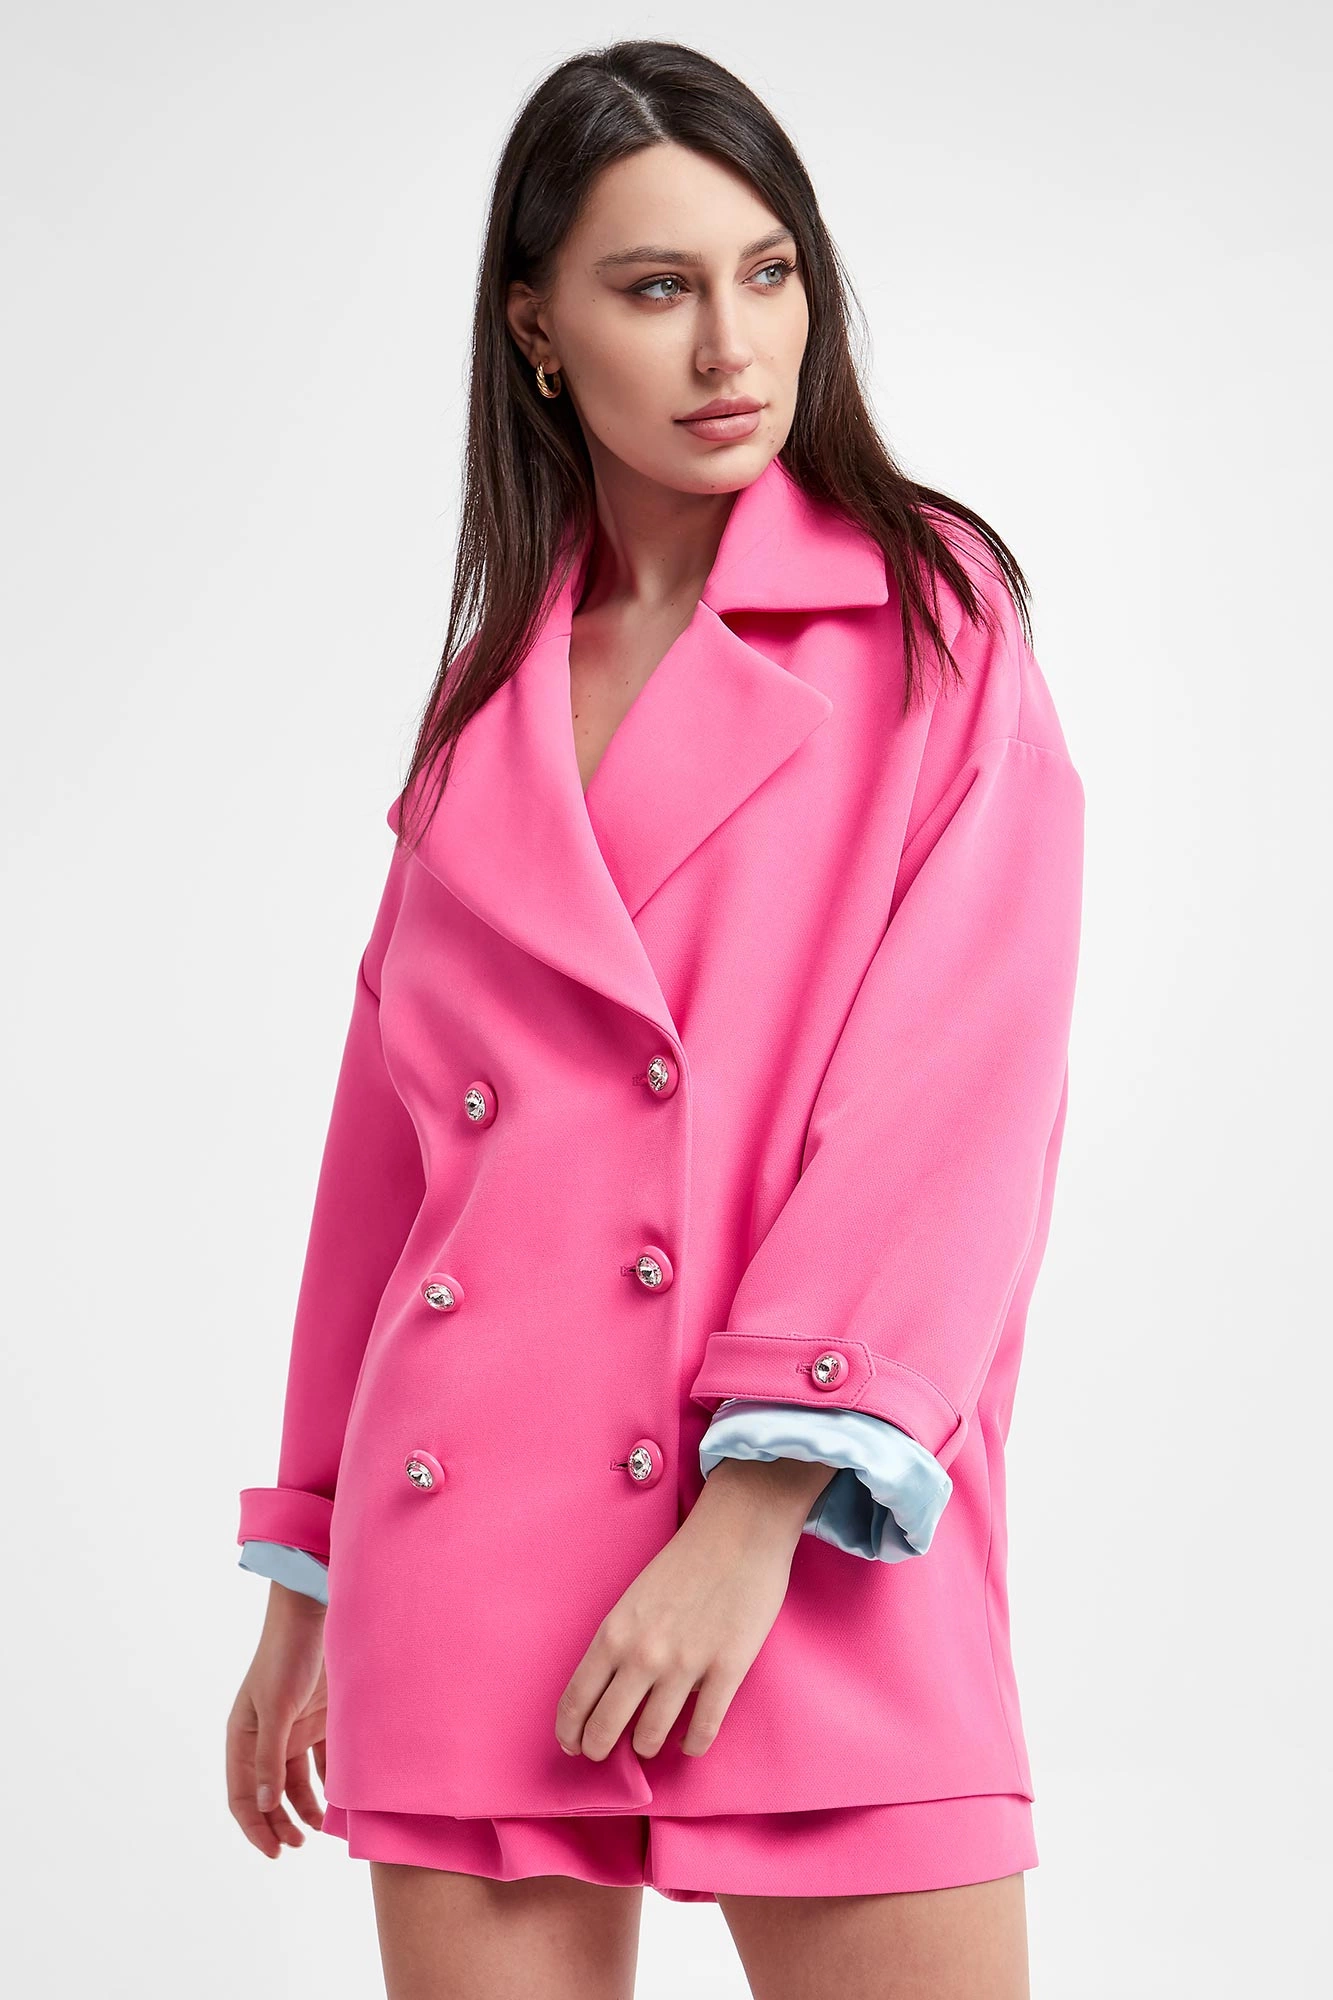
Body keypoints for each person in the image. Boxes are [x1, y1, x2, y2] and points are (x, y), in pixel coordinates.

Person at [225, 37, 1084, 2000]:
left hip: (829, 1527)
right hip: (469, 1549)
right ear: (538, 331)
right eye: (655, 286)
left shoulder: (932, 619)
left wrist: (753, 1515)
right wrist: (309, 1578)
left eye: (767, 273)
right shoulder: (487, 705)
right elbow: (387, 1172)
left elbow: (960, 1091)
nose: (728, 345)